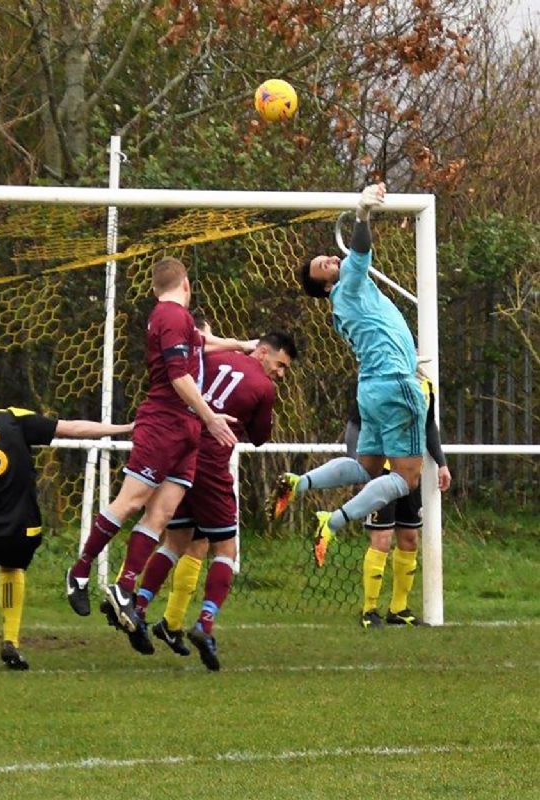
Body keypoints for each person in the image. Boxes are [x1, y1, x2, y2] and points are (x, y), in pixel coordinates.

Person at [65, 256, 256, 631]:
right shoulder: (170, 316)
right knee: (132, 501)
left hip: (185, 430)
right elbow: (178, 376)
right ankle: (80, 571)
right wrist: (209, 416)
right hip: (165, 423)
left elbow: (203, 344)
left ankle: (124, 585)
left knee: (163, 513)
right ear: (185, 283)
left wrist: (242, 344)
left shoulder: (180, 321)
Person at [0, 371, 134, 671]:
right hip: (26, 527)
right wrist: (126, 427)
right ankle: (12, 644)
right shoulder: (13, 418)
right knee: (12, 567)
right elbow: (71, 428)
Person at [268, 182, 427, 569]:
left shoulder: (344, 302)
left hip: (373, 386)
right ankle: (333, 521)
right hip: (393, 384)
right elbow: (360, 249)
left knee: (367, 467)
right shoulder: (349, 287)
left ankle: (299, 482)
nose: (329, 259)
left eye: (325, 256)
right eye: (323, 264)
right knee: (406, 479)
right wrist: (362, 213)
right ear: (326, 284)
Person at [125, 331, 298, 670]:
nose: (280, 374)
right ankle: (204, 624)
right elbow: (261, 438)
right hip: (211, 465)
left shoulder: (210, 357)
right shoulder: (263, 388)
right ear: (262, 352)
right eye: (280, 365)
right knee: (226, 549)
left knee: (175, 539)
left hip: (179, 454)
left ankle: (140, 608)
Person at [345, 375, 451, 628]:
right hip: (381, 473)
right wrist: (358, 468)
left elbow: (428, 426)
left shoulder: (425, 386)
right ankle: (369, 609)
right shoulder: (376, 383)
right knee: (381, 538)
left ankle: (399, 609)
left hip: (410, 472)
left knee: (410, 537)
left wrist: (442, 463)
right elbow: (354, 426)